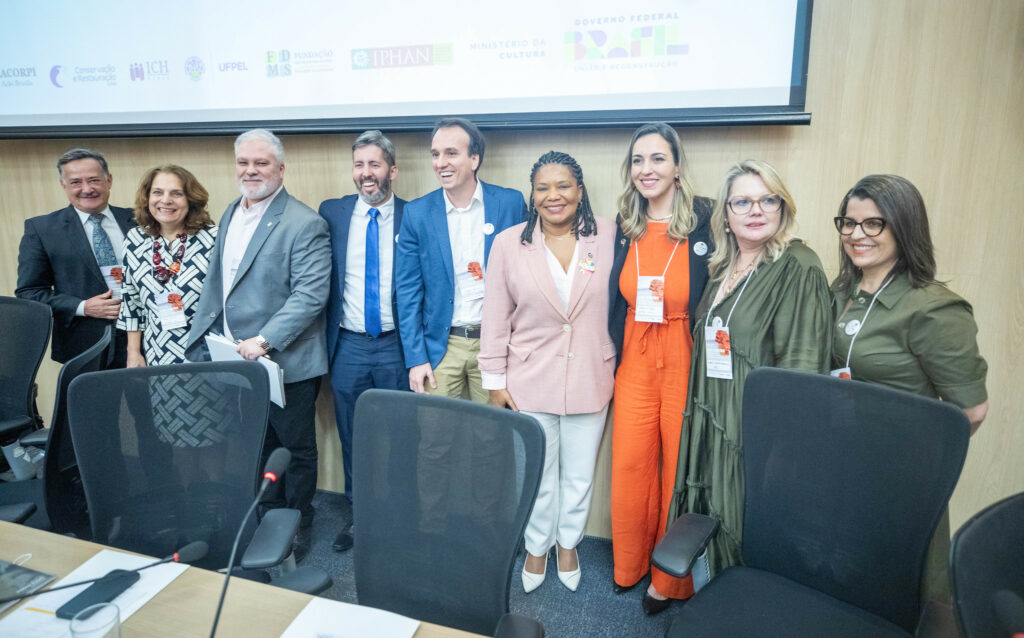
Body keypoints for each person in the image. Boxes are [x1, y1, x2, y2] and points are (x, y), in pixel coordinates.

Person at [668, 159, 832, 605]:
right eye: (742, 201)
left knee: (743, 527)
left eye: (767, 199)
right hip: (709, 420)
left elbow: (804, 372)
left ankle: (743, 614)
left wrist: (780, 454)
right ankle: (715, 609)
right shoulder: (725, 264)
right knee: (705, 522)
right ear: (726, 213)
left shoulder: (798, 265)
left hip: (755, 436)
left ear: (783, 207)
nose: (755, 210)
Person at [829, 174, 988, 601]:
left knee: (900, 591)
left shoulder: (934, 308)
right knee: (844, 580)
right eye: (849, 222)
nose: (857, 235)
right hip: (842, 458)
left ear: (904, 226)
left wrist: (913, 454)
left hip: (900, 473)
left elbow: (971, 411)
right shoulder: (844, 289)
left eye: (874, 224)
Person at [186, 129, 331, 561]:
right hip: (236, 357)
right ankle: (268, 515)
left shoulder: (305, 223)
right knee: (259, 443)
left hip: (285, 360)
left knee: (296, 449)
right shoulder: (231, 212)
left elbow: (310, 295)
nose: (251, 171)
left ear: (281, 169)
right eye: (243, 163)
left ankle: (300, 522)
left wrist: (264, 341)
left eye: (261, 163)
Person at [479, 151, 615, 593]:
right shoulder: (508, 243)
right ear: (532, 195)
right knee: (536, 473)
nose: (553, 195)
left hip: (590, 377)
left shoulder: (610, 235)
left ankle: (568, 544)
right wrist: (495, 383)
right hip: (526, 381)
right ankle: (537, 547)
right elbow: (495, 317)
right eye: (543, 187)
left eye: (563, 186)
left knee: (578, 474)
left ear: (580, 191)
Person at [606, 123, 714, 613]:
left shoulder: (707, 221)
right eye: (637, 160)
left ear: (677, 166)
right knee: (630, 466)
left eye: (657, 159)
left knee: (677, 470)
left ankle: (667, 581)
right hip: (635, 355)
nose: (646, 170)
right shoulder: (624, 225)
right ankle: (629, 566)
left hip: (684, 358)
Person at [319, 130, 408, 553]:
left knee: (400, 434)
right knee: (353, 435)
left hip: (396, 345)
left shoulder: (415, 215)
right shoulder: (332, 213)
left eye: (374, 164)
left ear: (392, 169)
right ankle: (359, 514)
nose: (366, 173)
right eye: (359, 165)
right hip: (349, 345)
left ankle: (396, 514)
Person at [396, 117, 527, 402]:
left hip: (495, 346)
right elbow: (407, 293)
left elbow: (527, 279)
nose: (440, 162)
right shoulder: (417, 214)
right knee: (436, 442)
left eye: (451, 153)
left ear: (474, 159)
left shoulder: (510, 204)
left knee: (494, 438)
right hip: (441, 348)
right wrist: (416, 358)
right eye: (435, 154)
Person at [115, 165, 218, 449]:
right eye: (158, 192)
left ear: (191, 199)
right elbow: (131, 300)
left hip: (205, 352)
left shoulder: (213, 238)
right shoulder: (135, 240)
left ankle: (214, 492)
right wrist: (134, 352)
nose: (166, 200)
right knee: (172, 433)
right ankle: (185, 492)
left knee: (212, 433)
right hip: (160, 353)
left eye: (176, 193)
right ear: (147, 198)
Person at [16, 148, 135, 366]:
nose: (87, 189)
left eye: (94, 180)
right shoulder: (42, 229)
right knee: (93, 402)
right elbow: (29, 292)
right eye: (75, 182)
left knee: (145, 402)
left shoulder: (139, 220)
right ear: (63, 186)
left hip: (144, 341)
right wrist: (82, 306)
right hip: (84, 345)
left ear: (109, 180)